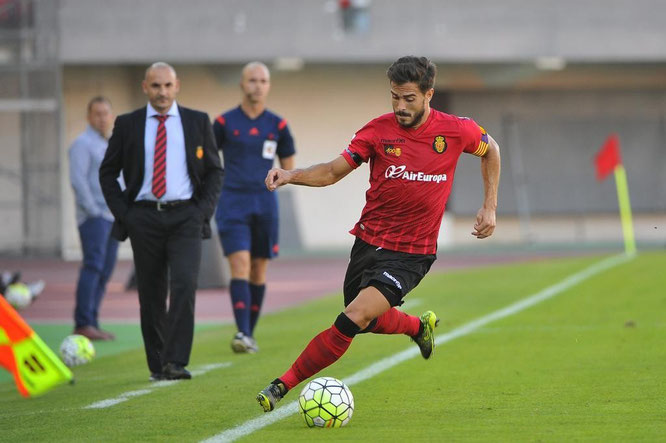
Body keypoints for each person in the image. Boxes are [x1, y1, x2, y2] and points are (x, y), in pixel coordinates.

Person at [256, 56, 500, 412]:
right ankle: (418, 327)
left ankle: (283, 384)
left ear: (429, 94)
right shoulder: (377, 131)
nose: (400, 106)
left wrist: (489, 206)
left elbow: (491, 150)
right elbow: (331, 172)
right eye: (394, 97)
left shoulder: (456, 130)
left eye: (409, 99)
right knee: (364, 319)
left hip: (412, 253)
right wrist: (291, 175)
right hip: (368, 242)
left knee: (353, 316)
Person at [99, 62, 223, 380]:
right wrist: (125, 214)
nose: (162, 92)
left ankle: (176, 361)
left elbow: (214, 171)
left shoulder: (197, 121)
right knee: (151, 293)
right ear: (145, 87)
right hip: (143, 217)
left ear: (177, 86)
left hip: (186, 217)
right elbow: (108, 172)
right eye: (156, 86)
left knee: (184, 284)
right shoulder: (127, 124)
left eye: (167, 86)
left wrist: (201, 212)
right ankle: (158, 364)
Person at [212, 62, 295, 354]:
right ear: (242, 84)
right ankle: (242, 332)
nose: (257, 85)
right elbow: (208, 159)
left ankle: (249, 332)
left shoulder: (278, 125)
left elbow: (288, 166)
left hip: (265, 204)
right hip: (232, 203)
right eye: (252, 80)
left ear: (268, 85)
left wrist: (281, 179)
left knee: (259, 270)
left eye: (263, 80)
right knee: (240, 264)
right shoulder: (223, 123)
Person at [69, 96, 118, 341]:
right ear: (89, 117)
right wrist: (94, 211)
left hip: (111, 217)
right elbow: (78, 180)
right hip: (94, 217)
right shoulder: (82, 144)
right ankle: (83, 322)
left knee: (106, 269)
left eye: (105, 113)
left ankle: (93, 321)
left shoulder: (109, 144)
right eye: (97, 114)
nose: (102, 118)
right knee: (93, 265)